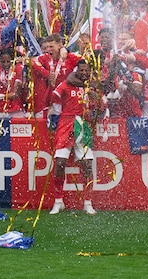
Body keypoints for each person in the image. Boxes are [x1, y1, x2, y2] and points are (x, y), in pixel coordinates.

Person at [47, 59, 101, 216]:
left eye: (87, 70)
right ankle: (58, 202)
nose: (84, 73)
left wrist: (94, 99)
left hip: (82, 126)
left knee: (87, 165)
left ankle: (87, 203)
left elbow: (99, 108)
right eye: (81, 70)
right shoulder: (67, 83)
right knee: (60, 163)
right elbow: (54, 98)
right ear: (76, 70)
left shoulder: (92, 87)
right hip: (66, 124)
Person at [30, 34, 80, 119]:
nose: (48, 50)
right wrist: (47, 74)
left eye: (51, 47)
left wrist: (65, 49)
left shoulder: (70, 57)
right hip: (52, 99)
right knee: (53, 126)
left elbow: (86, 62)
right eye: (47, 47)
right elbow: (32, 62)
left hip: (68, 98)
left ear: (60, 45)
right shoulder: (46, 57)